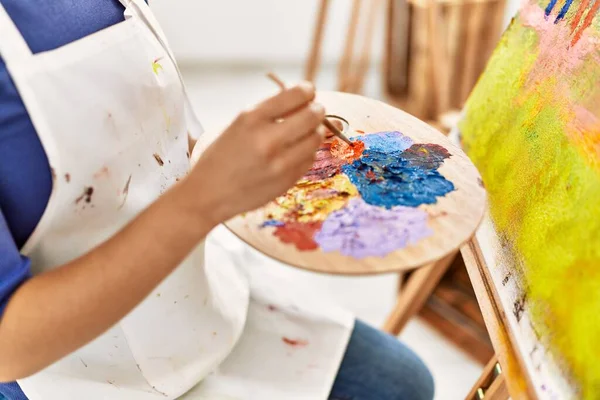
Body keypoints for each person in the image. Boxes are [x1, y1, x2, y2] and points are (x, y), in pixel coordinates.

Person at [0, 0, 435, 399]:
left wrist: (248, 158)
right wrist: (204, 198)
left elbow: (152, 138)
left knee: (402, 383)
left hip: (197, 296)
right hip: (75, 372)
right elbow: (8, 347)